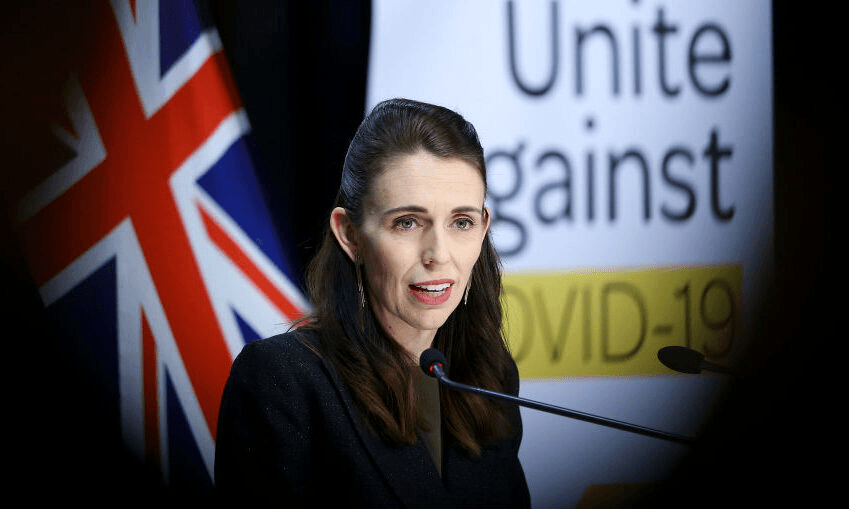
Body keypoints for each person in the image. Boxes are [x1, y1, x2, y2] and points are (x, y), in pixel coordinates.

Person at [214, 98, 531, 507]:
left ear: (483, 228)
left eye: (461, 222)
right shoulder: (282, 381)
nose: (438, 254)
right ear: (350, 235)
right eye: (407, 222)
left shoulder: (490, 377)